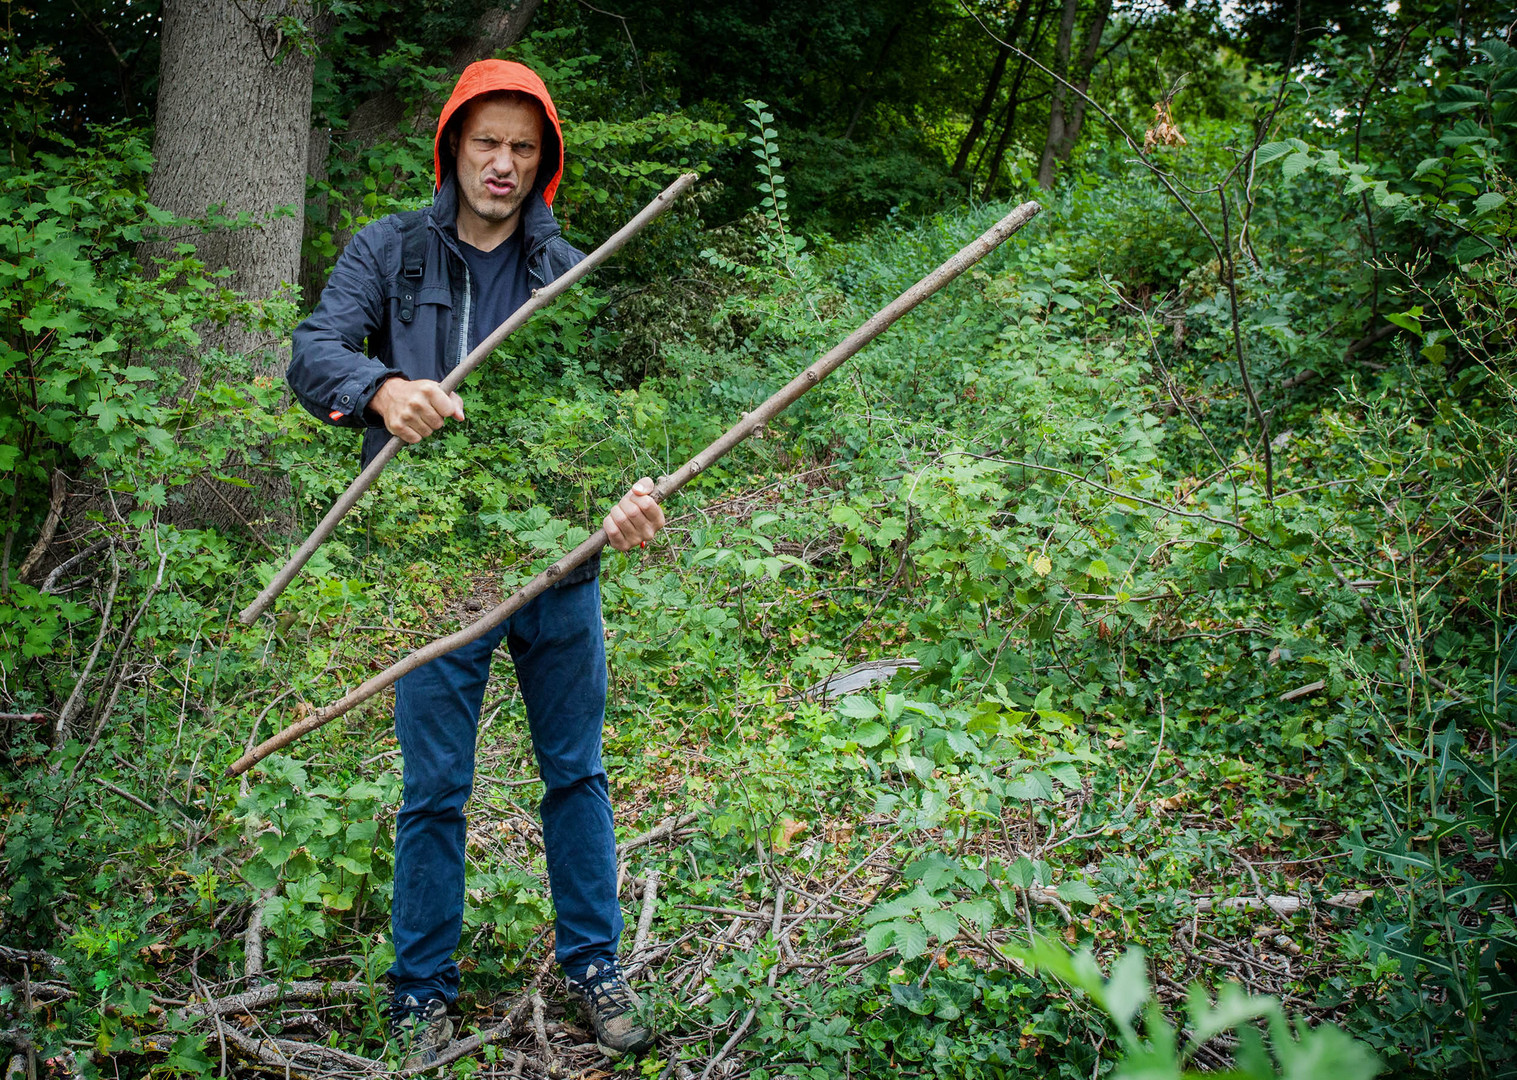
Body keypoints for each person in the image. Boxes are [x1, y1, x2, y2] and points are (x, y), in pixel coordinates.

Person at [287, 60, 663, 1066]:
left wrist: (626, 497)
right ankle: (420, 991)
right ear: (452, 144)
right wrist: (377, 389)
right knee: (435, 787)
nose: (502, 164)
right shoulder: (391, 252)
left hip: (555, 568)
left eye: (523, 148)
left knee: (574, 771)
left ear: (542, 163)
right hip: (435, 567)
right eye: (486, 141)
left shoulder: (566, 269)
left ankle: (594, 965)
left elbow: (608, 416)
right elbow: (312, 350)